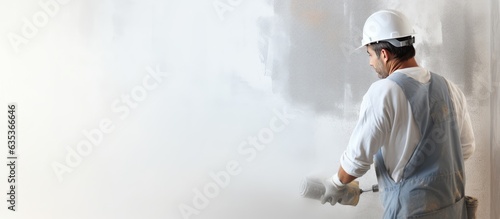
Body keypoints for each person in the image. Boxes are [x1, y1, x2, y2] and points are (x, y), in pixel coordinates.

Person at [319, 9, 476, 218]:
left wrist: (336, 184)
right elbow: (466, 147)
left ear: (384, 54)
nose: (370, 63)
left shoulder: (383, 92)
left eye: (370, 55)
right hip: (453, 210)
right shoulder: (450, 88)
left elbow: (355, 161)